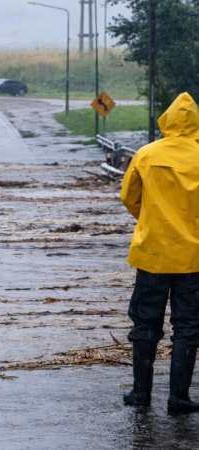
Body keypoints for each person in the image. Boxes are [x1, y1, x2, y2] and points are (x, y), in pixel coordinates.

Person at [120, 92, 199, 414]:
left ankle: (141, 395)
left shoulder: (146, 154)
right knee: (188, 327)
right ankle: (178, 399)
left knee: (145, 325)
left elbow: (128, 197)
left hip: (152, 253)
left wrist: (151, 219)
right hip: (193, 258)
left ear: (166, 120)